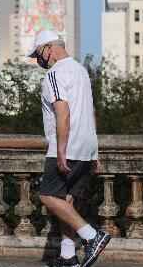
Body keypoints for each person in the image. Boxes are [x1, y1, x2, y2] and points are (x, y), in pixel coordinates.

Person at [28, 30, 111, 267]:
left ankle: (92, 236)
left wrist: (61, 150)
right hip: (86, 144)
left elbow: (63, 113)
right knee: (67, 200)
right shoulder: (80, 70)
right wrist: (95, 152)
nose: (38, 60)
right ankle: (68, 255)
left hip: (66, 145)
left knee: (48, 195)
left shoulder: (54, 75)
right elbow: (90, 111)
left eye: (38, 54)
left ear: (48, 49)